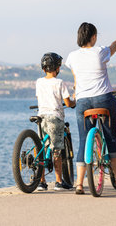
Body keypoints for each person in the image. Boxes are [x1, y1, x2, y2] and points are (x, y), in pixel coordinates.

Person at [65, 22, 116, 195]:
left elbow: (76, 78)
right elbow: (113, 47)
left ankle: (79, 184)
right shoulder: (100, 51)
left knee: (84, 141)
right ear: (93, 37)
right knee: (110, 136)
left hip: (83, 101)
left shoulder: (72, 57)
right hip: (103, 99)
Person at [35, 52, 76, 191]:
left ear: (43, 69)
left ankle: (41, 182)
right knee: (57, 149)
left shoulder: (39, 82)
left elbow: (39, 97)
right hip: (55, 117)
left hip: (41, 117)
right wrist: (74, 101)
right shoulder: (59, 83)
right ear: (57, 68)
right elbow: (67, 102)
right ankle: (58, 182)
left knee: (41, 146)